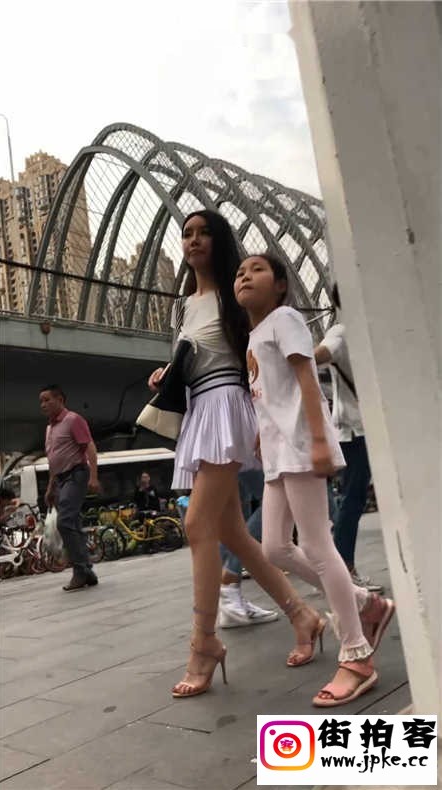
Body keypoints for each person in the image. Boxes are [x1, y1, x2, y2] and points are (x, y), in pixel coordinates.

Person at [148, 210, 327, 700]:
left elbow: (260, 353)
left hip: (229, 406)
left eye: (204, 233)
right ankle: (303, 615)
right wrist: (167, 374)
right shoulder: (184, 305)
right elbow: (196, 356)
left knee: (197, 524)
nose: (194, 240)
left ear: (219, 241)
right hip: (200, 409)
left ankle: (204, 642)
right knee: (231, 532)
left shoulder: (235, 294)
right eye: (187, 234)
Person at [234, 253, 395, 706]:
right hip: (278, 452)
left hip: (301, 444)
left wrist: (320, 441)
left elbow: (306, 378)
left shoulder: (285, 319)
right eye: (240, 272)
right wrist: (261, 436)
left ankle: (357, 655)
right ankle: (364, 602)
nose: (245, 276)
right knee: (273, 548)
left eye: (257, 270)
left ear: (281, 286)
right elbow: (270, 396)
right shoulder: (254, 335)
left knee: (318, 546)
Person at [314, 284, 382, 592]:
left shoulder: (364, 330)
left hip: (364, 427)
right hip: (355, 429)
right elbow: (319, 354)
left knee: (353, 497)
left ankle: (339, 566)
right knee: (353, 498)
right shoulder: (342, 331)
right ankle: (343, 567)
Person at [40, 384, 100, 591]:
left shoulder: (73, 420)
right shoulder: (49, 428)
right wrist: (50, 487)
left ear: (60, 400)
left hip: (76, 474)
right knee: (73, 524)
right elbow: (54, 460)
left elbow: (89, 446)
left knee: (64, 521)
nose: (43, 405)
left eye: (47, 400)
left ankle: (80, 570)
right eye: (41, 401)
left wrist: (94, 476)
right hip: (61, 479)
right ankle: (87, 571)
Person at [219, 469, 278, 627]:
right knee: (277, 495)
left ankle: (229, 598)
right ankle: (229, 584)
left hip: (224, 455)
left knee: (234, 507)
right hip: (239, 454)